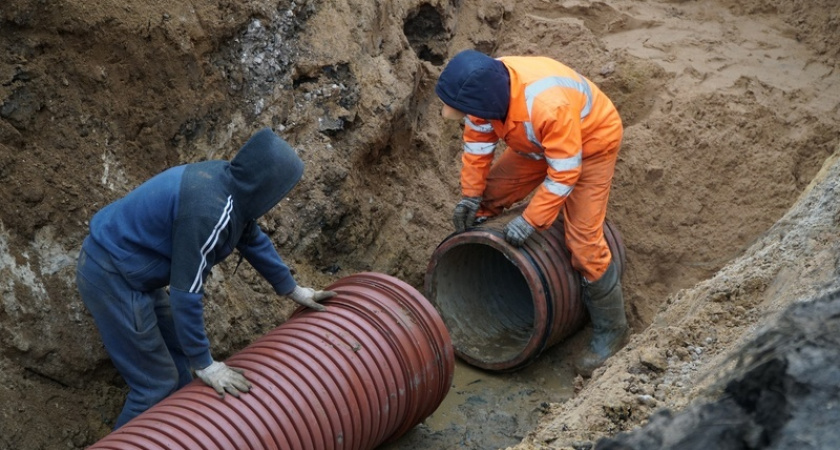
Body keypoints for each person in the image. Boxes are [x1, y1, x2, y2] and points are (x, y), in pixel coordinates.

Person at [75, 128, 336, 428]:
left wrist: (294, 290)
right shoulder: (208, 212)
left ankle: (180, 434)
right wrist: (207, 365)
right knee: (155, 384)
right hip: (112, 276)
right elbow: (186, 294)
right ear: (265, 187)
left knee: (179, 360)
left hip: (130, 269)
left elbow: (251, 239)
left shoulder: (228, 186)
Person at [435, 49, 629, 376]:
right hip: (536, 142)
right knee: (486, 199)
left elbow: (565, 172)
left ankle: (612, 332)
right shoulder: (485, 89)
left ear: (483, 102)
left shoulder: (546, 106)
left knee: (583, 242)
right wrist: (471, 196)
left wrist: (531, 221)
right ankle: (477, 274)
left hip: (590, 145)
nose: (456, 114)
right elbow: (477, 147)